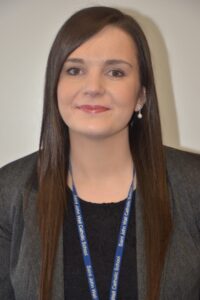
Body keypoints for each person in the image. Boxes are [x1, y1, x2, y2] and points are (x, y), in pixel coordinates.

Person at [0, 6, 200, 300]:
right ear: (55, 86)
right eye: (75, 70)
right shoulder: (9, 190)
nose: (93, 87)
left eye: (115, 72)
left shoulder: (193, 185)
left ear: (141, 95)